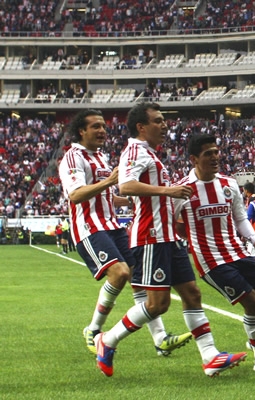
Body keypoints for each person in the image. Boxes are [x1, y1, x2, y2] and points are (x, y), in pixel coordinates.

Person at [94, 103, 245, 378]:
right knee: (157, 304)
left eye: (164, 120)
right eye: (158, 121)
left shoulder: (150, 153)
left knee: (192, 294)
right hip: (151, 237)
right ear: (141, 127)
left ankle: (210, 357)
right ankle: (108, 339)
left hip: (167, 237)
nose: (164, 126)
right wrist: (169, 191)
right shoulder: (135, 150)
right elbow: (126, 186)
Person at [58, 109, 191, 360]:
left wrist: (128, 201)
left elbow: (106, 196)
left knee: (138, 280)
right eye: (95, 126)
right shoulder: (73, 157)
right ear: (81, 131)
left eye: (103, 126)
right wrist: (110, 182)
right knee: (120, 273)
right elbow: (75, 195)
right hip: (89, 226)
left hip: (113, 225)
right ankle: (93, 329)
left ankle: (160, 338)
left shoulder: (100, 157)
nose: (102, 131)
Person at [173, 134, 255, 373]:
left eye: (216, 152)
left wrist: (254, 239)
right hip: (211, 260)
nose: (215, 157)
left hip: (236, 251)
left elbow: (240, 218)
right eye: (208, 154)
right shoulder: (182, 190)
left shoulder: (228, 184)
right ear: (194, 159)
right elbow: (171, 222)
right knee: (252, 301)